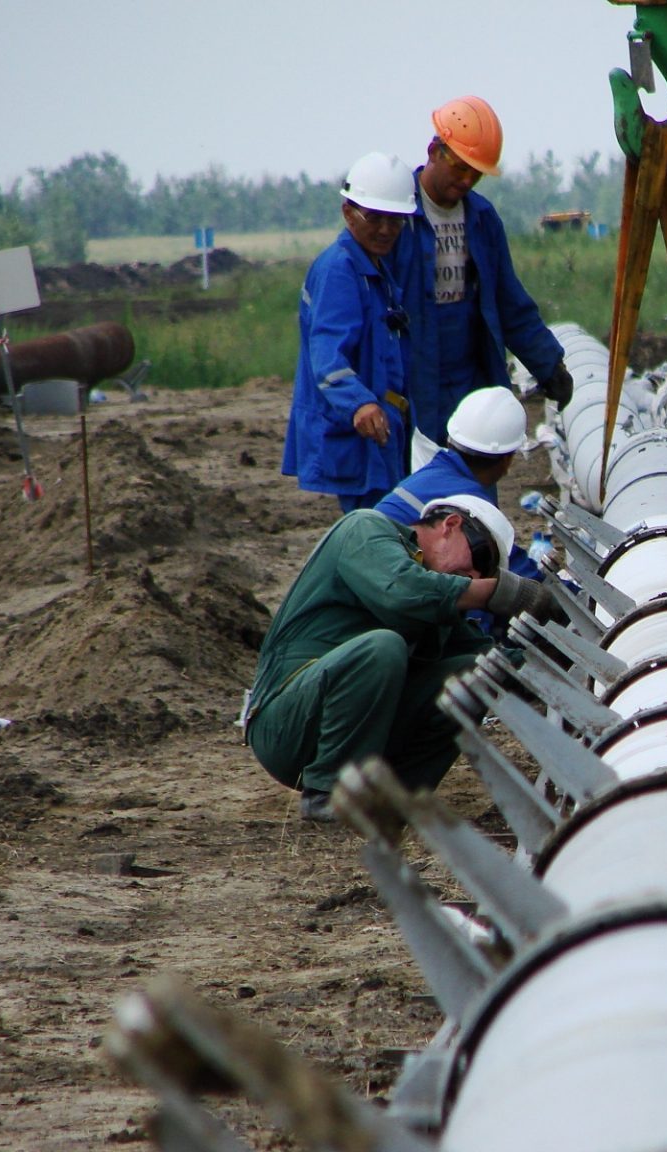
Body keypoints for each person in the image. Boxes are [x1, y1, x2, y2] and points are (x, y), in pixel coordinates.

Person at [243, 496, 555, 823]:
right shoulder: (365, 528)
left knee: (474, 674)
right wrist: (503, 593)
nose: (476, 575)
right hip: (283, 726)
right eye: (481, 557)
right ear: (451, 525)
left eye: (487, 572)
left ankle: (397, 801)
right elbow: (403, 592)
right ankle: (328, 793)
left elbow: (496, 663)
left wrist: (557, 654)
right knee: (383, 646)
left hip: (343, 728)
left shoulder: (436, 600)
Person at [391, 96, 573, 470]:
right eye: (459, 168)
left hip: (469, 373)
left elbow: (508, 301)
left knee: (474, 472)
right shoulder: (396, 216)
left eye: (475, 173)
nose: (466, 180)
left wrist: (548, 363)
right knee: (414, 479)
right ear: (434, 151)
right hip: (411, 375)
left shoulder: (482, 219)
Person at [283, 152, 417, 512]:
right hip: (360, 433)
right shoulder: (340, 270)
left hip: (383, 428)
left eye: (395, 220)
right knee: (374, 530)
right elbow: (327, 354)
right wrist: (359, 403)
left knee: (386, 525)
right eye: (375, 218)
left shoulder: (374, 268)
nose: (386, 230)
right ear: (348, 212)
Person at [376, 386, 541, 581]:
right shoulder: (469, 503)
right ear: (507, 460)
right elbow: (516, 571)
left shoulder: (430, 474)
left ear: (451, 440)